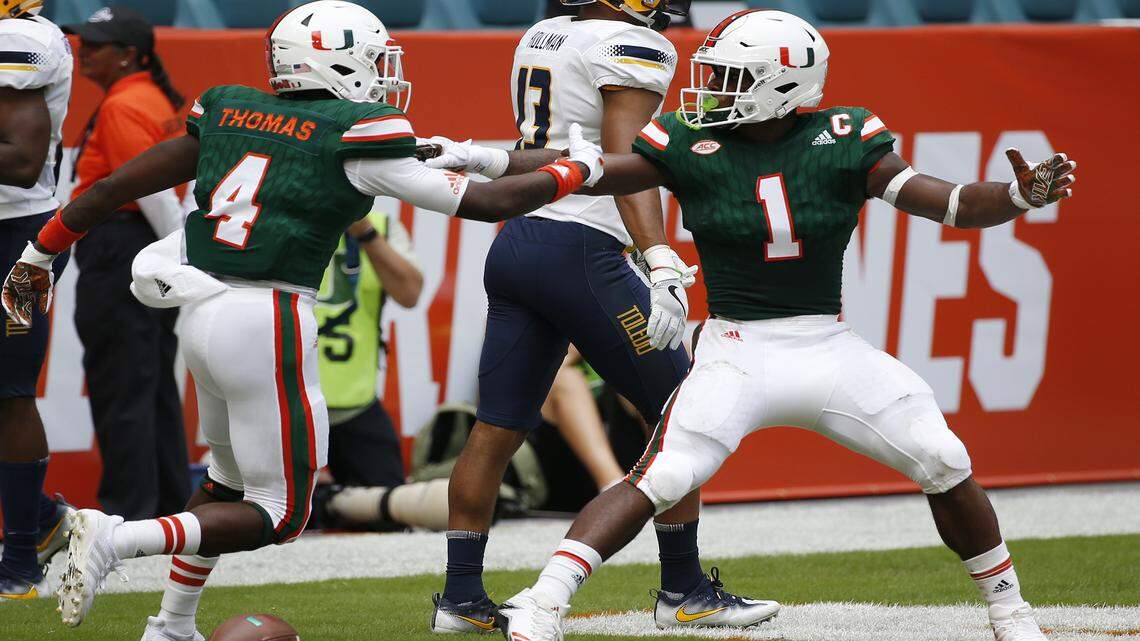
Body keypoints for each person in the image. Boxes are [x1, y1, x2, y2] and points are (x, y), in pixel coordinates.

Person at [443, 10, 1078, 641]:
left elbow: (953, 203)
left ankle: (1011, 612)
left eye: (730, 77)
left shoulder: (846, 136)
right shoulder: (688, 142)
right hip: (735, 348)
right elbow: (599, 170)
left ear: (782, 84)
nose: (711, 89)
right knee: (662, 473)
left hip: (829, 346)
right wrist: (482, 159)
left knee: (944, 455)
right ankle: (543, 602)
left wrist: (1018, 196)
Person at [0, 0, 604, 634]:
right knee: (282, 514)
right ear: (338, 62)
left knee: (224, 484)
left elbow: (113, 186)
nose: (383, 72)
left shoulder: (231, 110)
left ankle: (171, 623)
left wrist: (40, 251)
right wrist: (573, 170)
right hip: (268, 318)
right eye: (373, 60)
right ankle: (115, 538)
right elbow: (489, 203)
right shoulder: (359, 134)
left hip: (202, 315)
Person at [422, 0, 774, 633]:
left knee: (496, 428)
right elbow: (619, 163)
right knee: (681, 412)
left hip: (520, 240)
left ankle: (460, 597)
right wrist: (659, 255)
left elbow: (562, 150)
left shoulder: (544, 33)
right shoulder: (632, 45)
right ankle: (684, 588)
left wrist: (481, 156)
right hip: (581, 250)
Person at [64, 5, 192, 520]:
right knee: (149, 383)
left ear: (129, 56)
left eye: (98, 45)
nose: (84, 52)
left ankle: (127, 518)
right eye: (85, 42)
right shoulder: (145, 96)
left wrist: (180, 262)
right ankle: (163, 512)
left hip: (124, 249)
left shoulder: (123, 106)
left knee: (122, 384)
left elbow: (152, 193)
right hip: (142, 248)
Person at [0, 0, 75, 600]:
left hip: (20, 247)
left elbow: (22, 164)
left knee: (10, 393)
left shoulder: (20, 39)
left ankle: (22, 553)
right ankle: (47, 519)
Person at [317, 211, 422, 489]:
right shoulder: (283, 214)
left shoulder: (383, 226)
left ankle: (327, 502)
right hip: (283, 399)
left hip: (353, 401)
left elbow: (410, 293)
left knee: (387, 505)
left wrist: (365, 233)